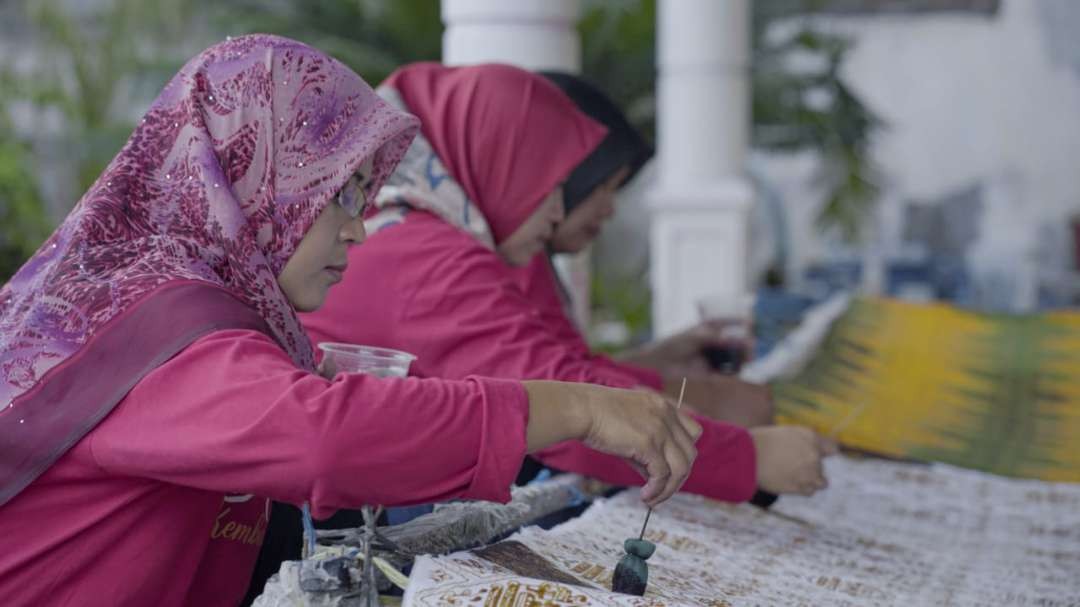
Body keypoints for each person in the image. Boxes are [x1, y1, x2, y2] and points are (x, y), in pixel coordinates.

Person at [0, 37, 701, 607]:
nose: (359, 230)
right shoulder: (149, 324)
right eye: (338, 194)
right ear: (251, 177)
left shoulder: (190, 306)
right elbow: (326, 436)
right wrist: (575, 406)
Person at [302, 62, 834, 513]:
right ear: (500, 164)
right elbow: (556, 401)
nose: (558, 212)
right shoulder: (425, 255)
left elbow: (559, 376)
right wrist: (747, 459)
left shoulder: (447, 238)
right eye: (553, 186)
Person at [524, 70, 775, 430]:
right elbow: (547, 409)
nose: (610, 209)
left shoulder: (532, 263)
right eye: (602, 187)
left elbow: (565, 383)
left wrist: (660, 362)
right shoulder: (480, 266)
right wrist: (744, 452)